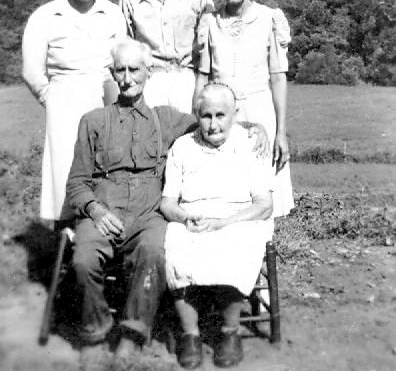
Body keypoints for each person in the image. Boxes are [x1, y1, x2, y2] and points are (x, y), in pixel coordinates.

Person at [65, 40, 268, 370]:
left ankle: (132, 335)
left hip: (149, 212)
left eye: (135, 70)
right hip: (104, 208)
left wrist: (251, 128)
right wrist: (95, 210)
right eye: (121, 70)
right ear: (112, 74)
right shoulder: (93, 121)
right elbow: (76, 182)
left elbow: (211, 121)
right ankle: (96, 329)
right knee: (84, 260)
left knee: (155, 253)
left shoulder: (166, 119)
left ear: (148, 73)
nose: (128, 78)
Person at [160, 82, 274, 369]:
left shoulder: (250, 144)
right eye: (206, 115)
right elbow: (168, 203)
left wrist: (224, 222)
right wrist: (186, 218)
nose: (213, 125)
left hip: (240, 217)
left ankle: (229, 331)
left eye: (220, 115)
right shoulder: (182, 147)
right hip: (194, 218)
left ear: (235, 114)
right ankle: (190, 335)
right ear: (196, 114)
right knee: (175, 243)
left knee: (236, 245)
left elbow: (264, 204)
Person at [22, 0, 126, 223]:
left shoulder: (113, 14)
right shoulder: (45, 16)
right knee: (66, 165)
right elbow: (32, 71)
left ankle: (107, 230)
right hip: (64, 98)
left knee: (107, 164)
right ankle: (67, 232)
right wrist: (53, 100)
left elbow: (122, 60)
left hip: (105, 96)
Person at [196, 0, 293, 217]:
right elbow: (203, 76)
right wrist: (197, 117)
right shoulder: (211, 23)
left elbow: (277, 77)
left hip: (260, 109)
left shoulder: (268, 19)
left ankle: (266, 251)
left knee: (264, 194)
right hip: (222, 113)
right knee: (227, 194)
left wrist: (281, 132)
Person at [119, 0, 214, 113]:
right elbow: (126, 48)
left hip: (189, 82)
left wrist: (202, 88)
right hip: (149, 83)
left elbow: (209, 46)